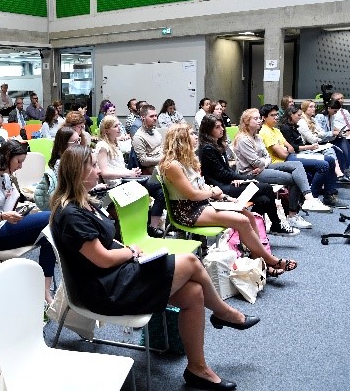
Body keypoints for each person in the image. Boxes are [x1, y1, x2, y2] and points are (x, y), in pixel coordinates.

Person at [51, 144, 259, 391]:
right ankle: (224, 313)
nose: (99, 170)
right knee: (192, 262)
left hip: (115, 276)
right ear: (77, 172)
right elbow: (103, 259)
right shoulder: (72, 214)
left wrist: (134, 252)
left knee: (194, 294)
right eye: (93, 166)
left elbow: (107, 245)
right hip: (105, 290)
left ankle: (197, 369)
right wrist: (130, 252)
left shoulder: (85, 202)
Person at [161, 123, 298, 275]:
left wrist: (225, 196)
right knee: (242, 221)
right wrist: (213, 192)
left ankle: (258, 262)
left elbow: (201, 187)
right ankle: (270, 261)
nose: (195, 137)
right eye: (191, 134)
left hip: (202, 204)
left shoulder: (188, 160)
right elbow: (192, 194)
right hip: (188, 211)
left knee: (249, 216)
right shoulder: (172, 165)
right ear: (181, 139)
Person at [0, 140, 55, 303]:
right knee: (49, 217)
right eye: (19, 161)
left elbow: (5, 202)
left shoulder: (4, 175)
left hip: (3, 225)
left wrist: (14, 209)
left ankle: (44, 292)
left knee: (49, 236)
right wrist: (3, 216)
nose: (20, 166)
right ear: (8, 157)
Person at [197, 115, 298, 238]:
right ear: (208, 130)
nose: (222, 129)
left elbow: (226, 170)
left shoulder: (217, 144)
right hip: (221, 188)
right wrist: (246, 178)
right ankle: (275, 225)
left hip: (228, 182)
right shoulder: (208, 148)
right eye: (217, 127)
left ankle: (250, 230)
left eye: (221, 126)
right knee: (266, 188)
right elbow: (221, 174)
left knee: (264, 200)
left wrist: (236, 178)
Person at [233, 108, 330, 230]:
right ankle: (292, 215)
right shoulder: (243, 139)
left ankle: (309, 198)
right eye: (255, 118)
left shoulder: (257, 137)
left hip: (263, 168)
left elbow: (266, 157)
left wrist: (263, 162)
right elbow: (255, 162)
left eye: (259, 118)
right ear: (246, 121)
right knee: (295, 178)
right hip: (250, 173)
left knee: (297, 165)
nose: (259, 121)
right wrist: (262, 163)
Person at [267, 104, 347, 208]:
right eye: (273, 115)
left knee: (330, 160)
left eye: (277, 115)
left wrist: (287, 149)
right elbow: (286, 152)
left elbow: (289, 148)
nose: (276, 117)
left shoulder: (277, 130)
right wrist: (289, 149)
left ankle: (329, 195)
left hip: (292, 155)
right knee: (324, 165)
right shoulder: (274, 130)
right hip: (287, 158)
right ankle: (311, 198)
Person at [98, 115, 166, 237]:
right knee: (159, 186)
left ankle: (153, 226)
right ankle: (152, 226)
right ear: (106, 130)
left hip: (124, 180)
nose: (120, 128)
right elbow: (104, 173)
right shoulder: (103, 146)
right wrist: (128, 173)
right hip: (116, 186)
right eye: (115, 126)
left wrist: (130, 172)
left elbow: (116, 167)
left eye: (119, 125)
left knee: (161, 191)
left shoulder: (114, 143)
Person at [299, 99, 350, 182]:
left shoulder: (313, 119)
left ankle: (344, 172)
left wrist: (333, 134)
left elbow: (321, 132)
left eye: (314, 107)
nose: (314, 109)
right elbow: (312, 138)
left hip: (321, 141)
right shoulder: (304, 121)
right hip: (311, 145)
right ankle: (344, 172)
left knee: (341, 142)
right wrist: (329, 135)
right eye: (311, 107)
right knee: (332, 149)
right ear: (304, 108)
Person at [34, 126, 79, 211]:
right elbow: (71, 192)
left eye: (79, 140)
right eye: (75, 142)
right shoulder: (62, 165)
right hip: (64, 207)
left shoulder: (74, 160)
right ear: (63, 145)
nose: (79, 144)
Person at [132, 104, 163, 175]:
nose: (155, 118)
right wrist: (162, 160)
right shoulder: (138, 137)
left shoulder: (155, 131)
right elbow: (143, 161)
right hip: (153, 168)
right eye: (151, 116)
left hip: (162, 163)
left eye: (155, 115)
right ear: (143, 117)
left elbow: (161, 148)